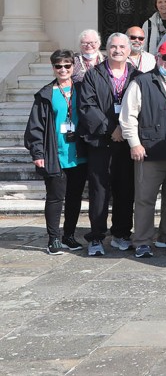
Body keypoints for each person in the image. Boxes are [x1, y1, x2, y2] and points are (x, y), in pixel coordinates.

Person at [120, 41, 166, 259]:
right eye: (165, 57)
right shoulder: (142, 82)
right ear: (157, 58)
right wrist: (134, 143)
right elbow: (128, 115)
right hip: (150, 149)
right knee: (145, 198)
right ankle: (142, 240)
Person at [78, 33, 139, 256]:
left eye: (122, 46)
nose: (117, 50)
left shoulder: (138, 76)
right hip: (101, 142)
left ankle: (121, 234)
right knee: (99, 191)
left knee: (126, 190)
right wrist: (110, 129)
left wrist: (125, 130)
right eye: (113, 46)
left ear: (129, 50)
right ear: (107, 48)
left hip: (127, 142)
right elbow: (87, 106)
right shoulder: (93, 75)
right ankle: (96, 237)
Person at [25, 50, 88, 255]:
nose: (63, 70)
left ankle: (69, 235)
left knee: (74, 198)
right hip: (55, 154)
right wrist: (38, 154)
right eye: (58, 66)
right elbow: (35, 127)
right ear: (53, 68)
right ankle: (53, 238)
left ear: (73, 67)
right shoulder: (46, 94)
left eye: (67, 66)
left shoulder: (82, 89)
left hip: (78, 154)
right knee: (55, 198)